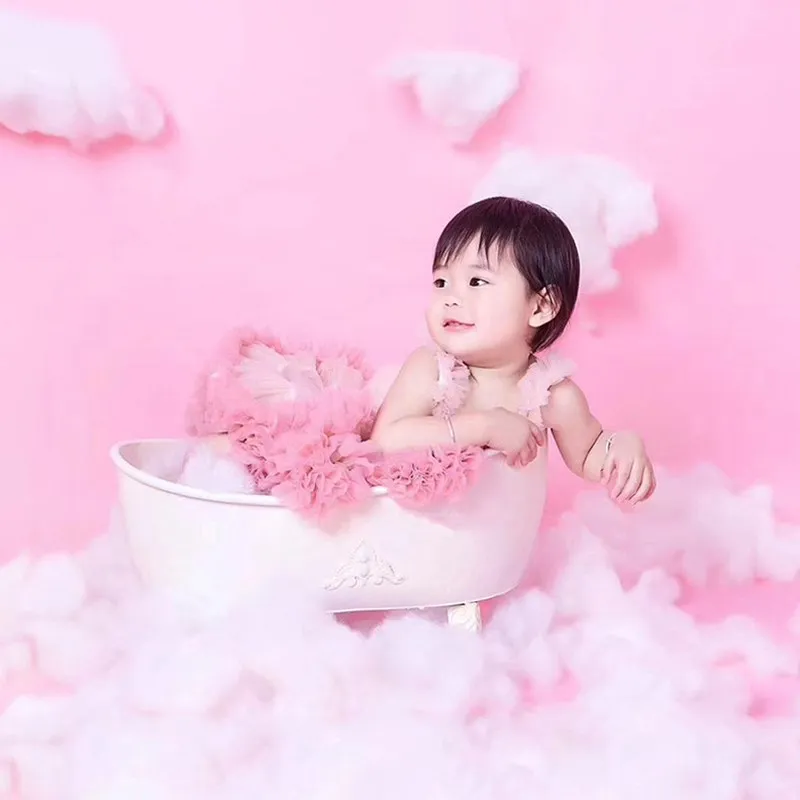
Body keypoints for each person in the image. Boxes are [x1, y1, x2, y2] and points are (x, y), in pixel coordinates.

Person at [370, 196, 656, 506]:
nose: (450, 298)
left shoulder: (552, 397)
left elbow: (588, 454)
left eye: (477, 281)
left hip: (498, 542)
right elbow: (385, 441)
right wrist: (485, 427)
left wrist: (621, 445)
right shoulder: (431, 370)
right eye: (441, 281)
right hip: (422, 537)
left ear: (541, 306)